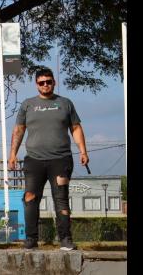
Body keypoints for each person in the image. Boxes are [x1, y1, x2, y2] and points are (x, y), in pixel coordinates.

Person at [8, 68, 88, 251]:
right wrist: (13, 154)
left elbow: (75, 128)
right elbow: (18, 130)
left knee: (61, 199)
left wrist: (83, 151)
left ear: (54, 82)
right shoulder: (28, 104)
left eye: (48, 81)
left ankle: (66, 239)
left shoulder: (65, 103)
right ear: (36, 84)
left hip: (61, 160)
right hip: (34, 160)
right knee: (30, 198)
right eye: (41, 82)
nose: (45, 85)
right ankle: (30, 239)